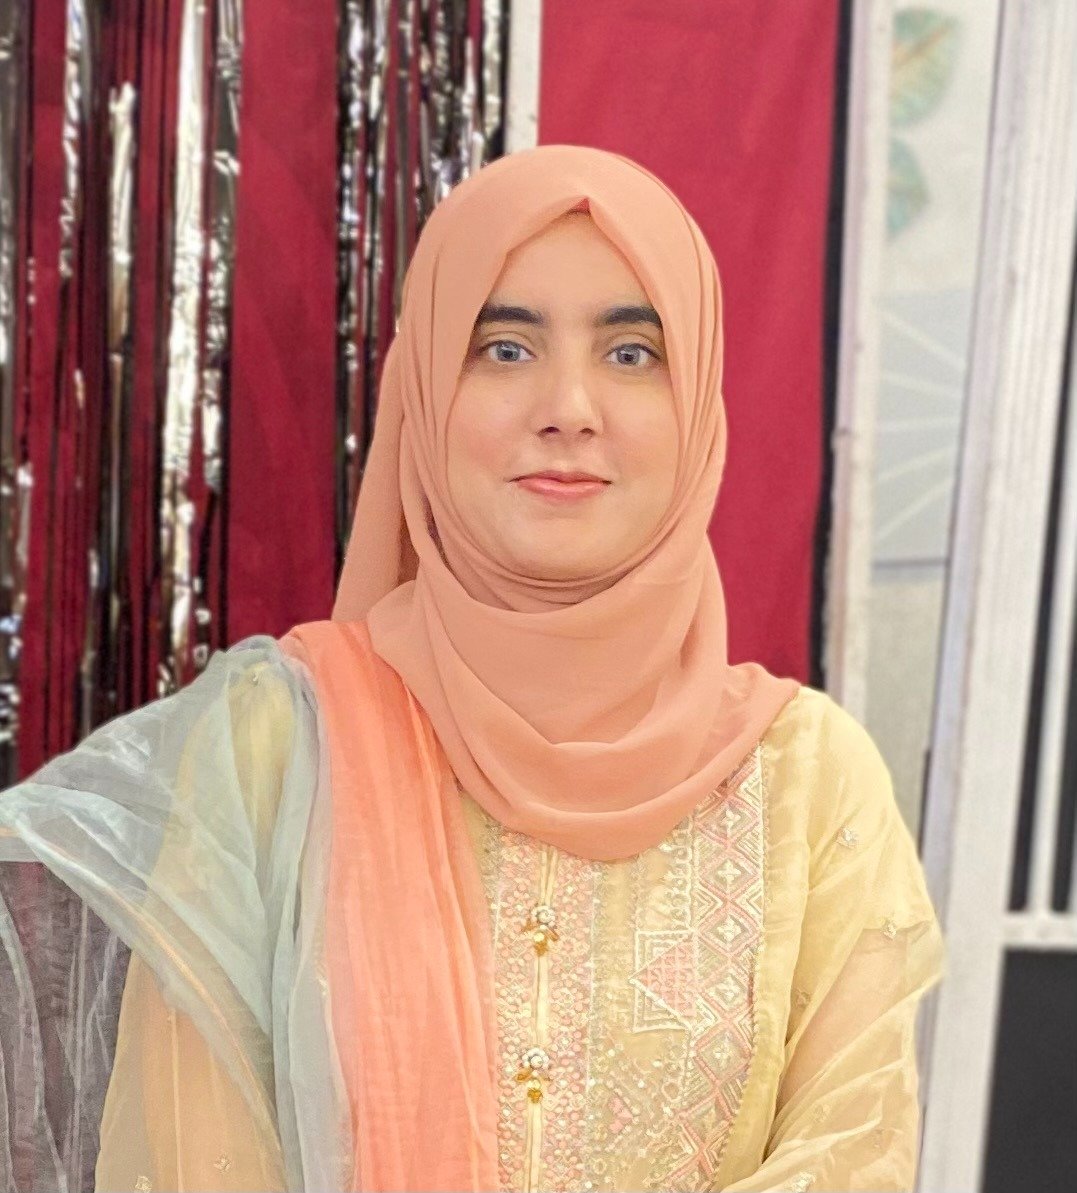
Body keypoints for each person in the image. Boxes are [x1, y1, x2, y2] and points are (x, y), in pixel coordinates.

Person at [0, 145, 945, 1192]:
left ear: (699, 408)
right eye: (504, 347)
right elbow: (196, 1159)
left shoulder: (811, 780)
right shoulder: (284, 740)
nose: (569, 406)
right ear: (424, 392)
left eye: (632, 352)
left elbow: (853, 1156)